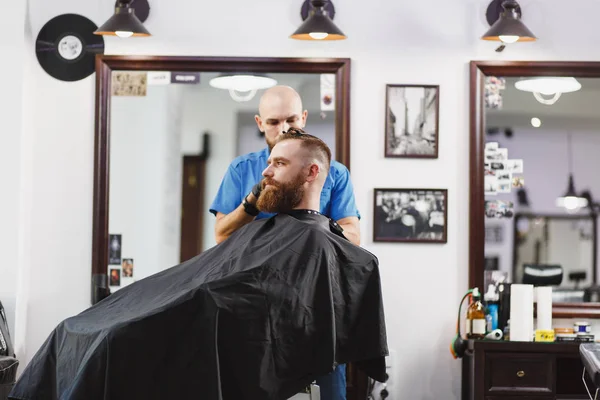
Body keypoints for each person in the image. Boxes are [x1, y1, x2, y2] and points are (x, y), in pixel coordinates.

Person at [9, 132, 388, 400]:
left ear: (312, 173)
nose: (266, 172)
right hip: (185, 314)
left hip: (216, 333)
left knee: (112, 341)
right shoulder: (259, 227)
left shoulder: (317, 241)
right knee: (72, 329)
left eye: (279, 163)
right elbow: (214, 260)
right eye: (268, 162)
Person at [210, 85, 361, 246]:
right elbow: (221, 236)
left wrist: (317, 224)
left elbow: (354, 239)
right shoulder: (241, 169)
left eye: (291, 120)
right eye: (273, 122)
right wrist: (253, 200)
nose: (284, 129)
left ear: (303, 118)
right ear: (260, 123)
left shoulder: (335, 173)